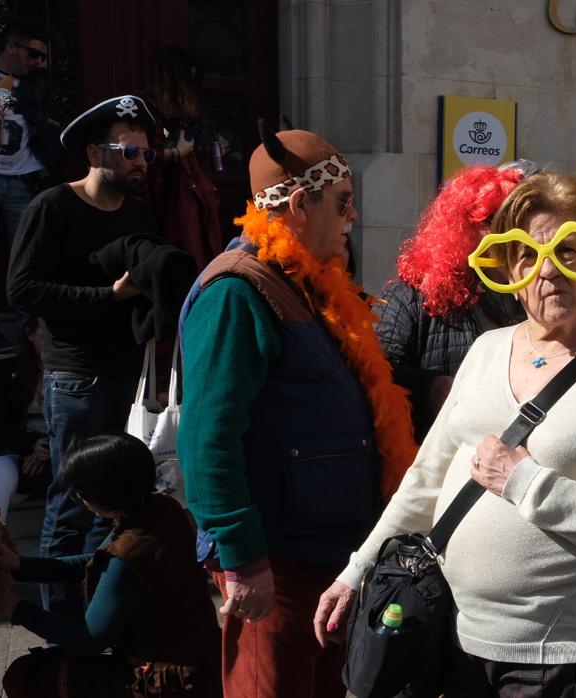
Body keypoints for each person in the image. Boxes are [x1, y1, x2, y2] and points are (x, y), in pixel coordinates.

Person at [314, 172, 576, 697]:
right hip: (458, 642)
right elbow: (427, 478)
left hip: (567, 658)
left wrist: (524, 481)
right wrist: (357, 570)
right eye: (529, 254)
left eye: (569, 251)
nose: (549, 270)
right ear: (509, 267)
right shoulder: (486, 349)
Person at [177, 121, 418, 698]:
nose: (353, 217)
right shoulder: (238, 291)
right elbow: (208, 437)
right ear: (300, 204)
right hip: (277, 564)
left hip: (328, 553)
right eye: (343, 202)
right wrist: (240, 557)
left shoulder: (311, 283)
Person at [6, 94, 158, 617]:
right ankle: (59, 619)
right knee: (73, 499)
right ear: (96, 152)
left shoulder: (139, 213)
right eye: (129, 152)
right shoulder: (54, 205)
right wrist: (107, 298)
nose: (140, 163)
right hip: (76, 377)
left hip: (127, 373)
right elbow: (21, 289)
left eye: (146, 154)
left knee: (112, 503)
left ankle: (96, 612)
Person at [0, 433, 221, 698]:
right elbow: (96, 561)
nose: (80, 500)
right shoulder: (162, 507)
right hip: (203, 657)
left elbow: (89, 640)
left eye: (80, 494)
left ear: (105, 493)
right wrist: (21, 567)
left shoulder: (130, 552)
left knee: (26, 675)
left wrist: (17, 610)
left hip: (171, 680)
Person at [375, 165, 527, 439]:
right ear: (462, 227)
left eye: (515, 222)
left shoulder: (534, 290)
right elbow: (374, 372)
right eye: (492, 220)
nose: (507, 234)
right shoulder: (413, 294)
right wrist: (429, 386)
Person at [0, 21, 63, 354]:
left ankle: (26, 329)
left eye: (42, 57)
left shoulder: (37, 87)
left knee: (26, 256)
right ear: (11, 47)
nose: (37, 62)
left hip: (23, 179)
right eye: (33, 53)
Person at [140, 45, 221, 271]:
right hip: (148, 211)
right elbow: (133, 157)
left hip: (173, 214)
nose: (192, 92)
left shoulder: (174, 118)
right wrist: (175, 153)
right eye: (188, 83)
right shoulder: (143, 111)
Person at [0, 319, 49, 520]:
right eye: (46, 333)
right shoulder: (8, 369)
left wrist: (46, 449)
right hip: (18, 451)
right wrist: (31, 445)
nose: (52, 341)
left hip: (63, 454)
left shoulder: (75, 373)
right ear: (30, 335)